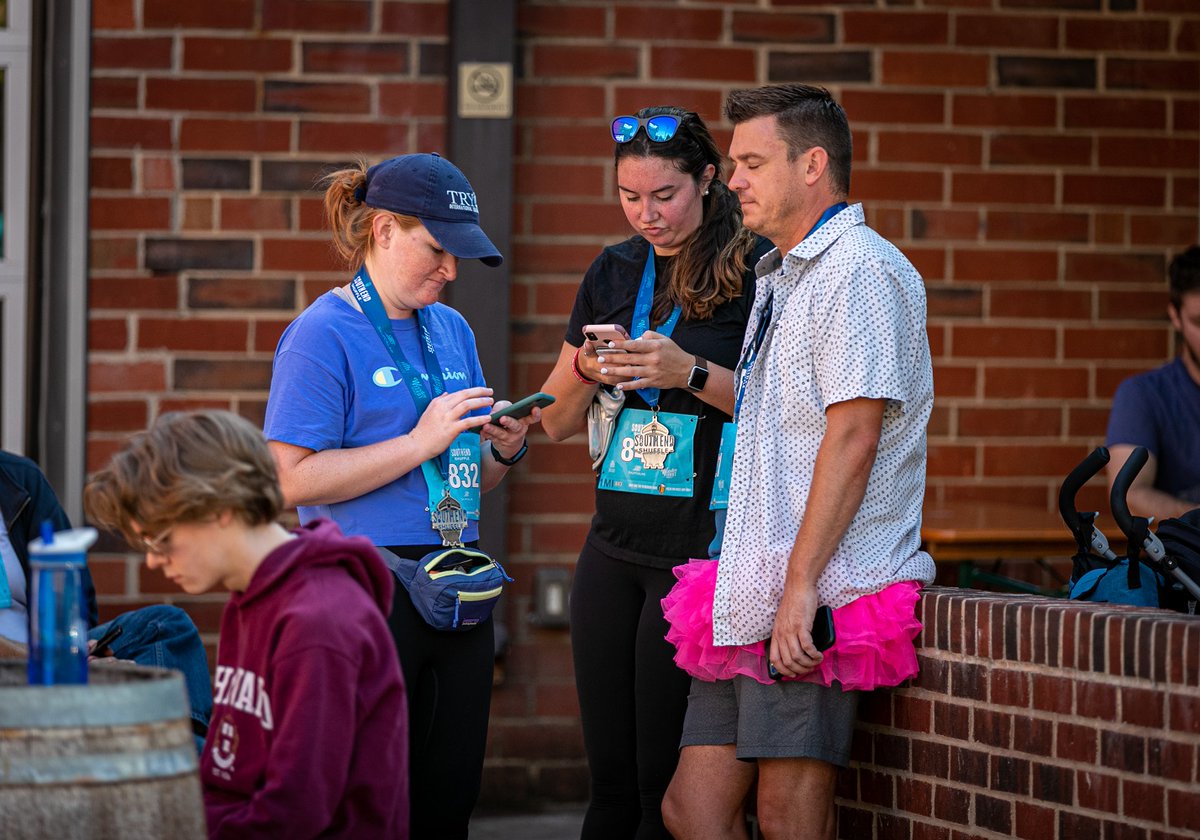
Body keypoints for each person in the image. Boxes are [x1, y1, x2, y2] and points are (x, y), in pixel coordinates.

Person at [661, 84, 936, 840]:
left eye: (751, 162)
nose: (734, 180)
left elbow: (854, 437)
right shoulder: (785, 273)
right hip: (752, 583)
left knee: (786, 814)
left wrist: (801, 584)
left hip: (818, 595)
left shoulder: (859, 272)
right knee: (692, 809)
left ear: (812, 164)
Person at [262, 152, 536, 838]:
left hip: (454, 576)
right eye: (437, 249)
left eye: (458, 255)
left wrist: (502, 447)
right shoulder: (322, 332)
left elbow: (465, 477)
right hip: (365, 583)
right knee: (374, 798)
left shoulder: (452, 328)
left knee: (450, 795)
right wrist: (420, 441)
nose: (450, 271)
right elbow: (289, 478)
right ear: (383, 231)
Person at [538, 106, 768, 838]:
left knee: (654, 790)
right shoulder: (614, 270)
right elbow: (557, 419)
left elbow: (783, 412)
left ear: (708, 179)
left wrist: (687, 370)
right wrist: (586, 363)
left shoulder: (756, 268)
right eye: (629, 197)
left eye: (664, 196)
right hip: (612, 543)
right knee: (605, 786)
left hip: (697, 555)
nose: (647, 214)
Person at [83, 410, 410, 839]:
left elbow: (295, 815)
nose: (153, 560)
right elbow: (230, 771)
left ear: (221, 508)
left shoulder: (319, 624)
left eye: (161, 540)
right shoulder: (249, 596)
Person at [0, 448, 212, 745]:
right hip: (26, 672)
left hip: (47, 659)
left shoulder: (16, 478)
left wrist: (82, 652)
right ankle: (187, 767)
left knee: (166, 626)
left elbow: (80, 600)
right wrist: (59, 664)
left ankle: (186, 756)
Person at [1105, 245, 1200, 521]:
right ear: (1175, 317)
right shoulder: (1144, 395)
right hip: (1181, 559)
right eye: (1199, 321)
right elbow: (1128, 495)